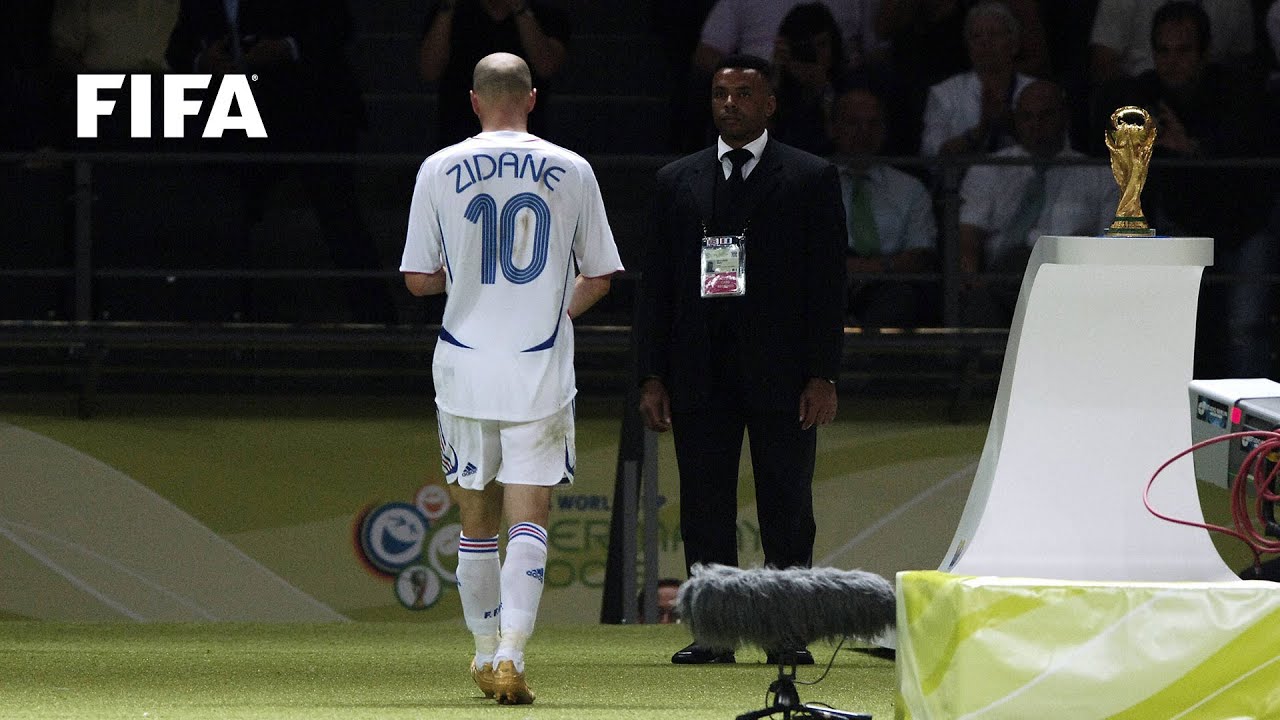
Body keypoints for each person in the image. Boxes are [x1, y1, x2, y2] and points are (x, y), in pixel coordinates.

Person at [400, 53, 623, 704]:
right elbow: (601, 276)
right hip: (539, 364)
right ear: (531, 97)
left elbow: (416, 279)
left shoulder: (439, 169)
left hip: (466, 363)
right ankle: (512, 651)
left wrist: (464, 278)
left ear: (474, 101)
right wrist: (553, 307)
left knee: (476, 519)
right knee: (532, 514)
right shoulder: (572, 168)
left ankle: (480, 649)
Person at [635, 54, 846, 666]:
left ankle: (787, 629)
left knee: (787, 503)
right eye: (721, 93)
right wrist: (652, 374)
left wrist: (823, 373)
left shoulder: (810, 176)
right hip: (698, 370)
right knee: (703, 505)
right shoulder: (678, 180)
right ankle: (715, 632)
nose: (730, 103)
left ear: (769, 103)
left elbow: (828, 286)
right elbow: (658, 287)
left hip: (784, 372)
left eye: (744, 93)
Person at [166, 0, 396, 323]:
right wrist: (203, 60)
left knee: (340, 221)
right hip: (241, 121)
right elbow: (179, 47)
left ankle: (378, 323)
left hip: (313, 111)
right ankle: (233, 320)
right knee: (230, 218)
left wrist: (286, 48)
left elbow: (336, 25)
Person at [1114, 1, 1276, 377]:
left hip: (1245, 226)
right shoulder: (1144, 94)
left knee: (1244, 328)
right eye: (1162, 51)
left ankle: (1251, 429)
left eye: (1183, 50)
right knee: (1179, 330)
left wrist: (1192, 148)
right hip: (1184, 228)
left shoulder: (1239, 92)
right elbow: (1106, 122)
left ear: (1204, 53)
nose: (1171, 61)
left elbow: (1248, 148)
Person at [957, 79, 1117, 327]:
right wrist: (971, 275)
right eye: (1027, 117)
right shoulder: (989, 169)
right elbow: (968, 236)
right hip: (999, 280)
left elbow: (1112, 247)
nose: (1036, 125)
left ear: (1065, 117)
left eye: (1045, 116)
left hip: (1069, 283)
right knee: (983, 295)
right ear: (1016, 121)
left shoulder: (1099, 175)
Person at [828, 86, 939, 327]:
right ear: (833, 128)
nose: (863, 133)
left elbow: (920, 255)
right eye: (853, 123)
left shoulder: (910, 188)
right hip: (827, 282)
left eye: (873, 124)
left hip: (887, 285)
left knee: (902, 299)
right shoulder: (810, 184)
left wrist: (868, 269)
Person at [418, 0, 569, 148]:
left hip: (527, 142)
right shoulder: (448, 12)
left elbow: (546, 66)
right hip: (457, 136)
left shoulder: (547, 14)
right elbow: (429, 71)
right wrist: (447, 6)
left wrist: (520, 8)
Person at [919, 0, 1037, 158]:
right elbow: (932, 155)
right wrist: (980, 131)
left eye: (994, 34)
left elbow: (1057, 151)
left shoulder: (1039, 92)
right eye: (976, 36)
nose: (985, 42)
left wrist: (1011, 125)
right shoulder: (944, 93)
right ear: (969, 48)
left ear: (1014, 44)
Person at [770, 2, 847, 155]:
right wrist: (776, 78)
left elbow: (843, 139)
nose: (815, 54)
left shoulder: (848, 84)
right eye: (807, 46)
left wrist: (824, 90)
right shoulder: (774, 84)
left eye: (822, 45)